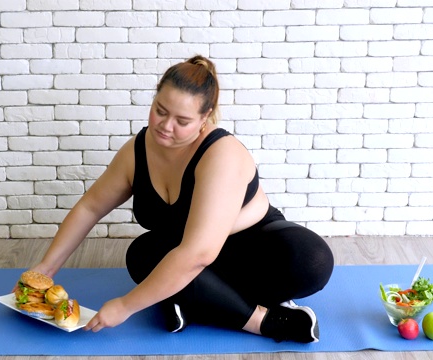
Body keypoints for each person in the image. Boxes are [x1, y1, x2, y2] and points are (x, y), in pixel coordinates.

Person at [24, 55, 334, 343]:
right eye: (160, 110)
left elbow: (199, 253)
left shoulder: (220, 153)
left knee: (311, 260)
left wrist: (126, 306)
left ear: (205, 117)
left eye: (182, 121)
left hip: (250, 250)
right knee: (143, 254)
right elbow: (90, 207)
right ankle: (227, 304)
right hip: (184, 254)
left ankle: (253, 319)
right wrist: (46, 268)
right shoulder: (137, 151)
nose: (165, 126)